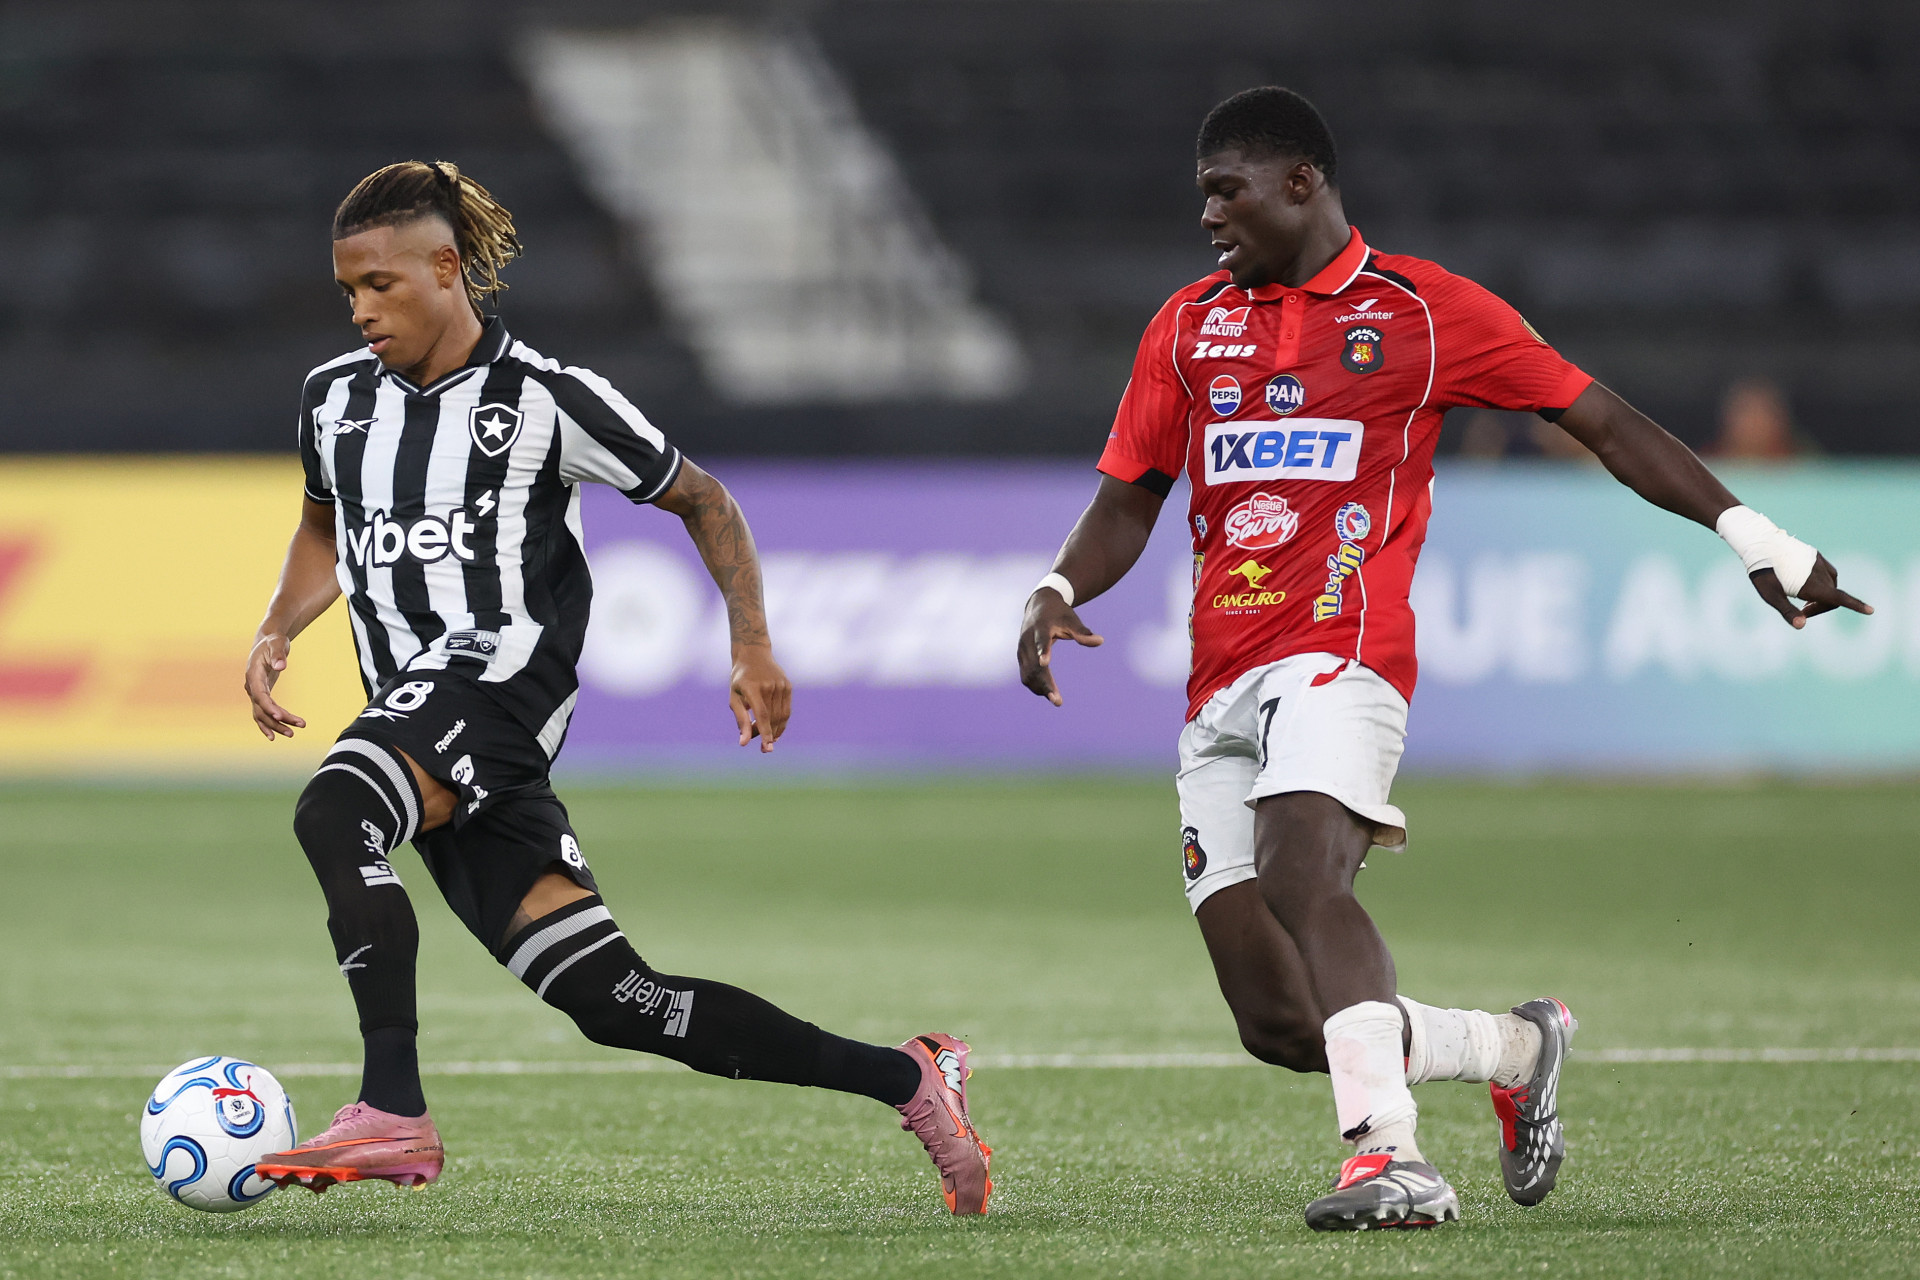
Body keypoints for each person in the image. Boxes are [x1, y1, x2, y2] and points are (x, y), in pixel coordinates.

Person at [1017, 88, 1869, 1231]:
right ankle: (1516, 1048)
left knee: (1301, 871)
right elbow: (1128, 500)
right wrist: (1061, 585)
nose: (1209, 215)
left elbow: (1601, 421)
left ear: (1301, 183)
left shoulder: (1422, 311)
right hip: (1220, 676)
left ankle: (1392, 1160)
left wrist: (1751, 532)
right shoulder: (1186, 325)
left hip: (1342, 650)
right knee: (1277, 1018)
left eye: (1228, 190)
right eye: (1203, 196)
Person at [241, 161, 991, 1214]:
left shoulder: (550, 399)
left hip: (495, 691)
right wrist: (279, 624)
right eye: (347, 291)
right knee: (619, 999)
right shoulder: (335, 401)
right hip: (429, 715)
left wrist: (753, 644)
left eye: (380, 285)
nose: (362, 310)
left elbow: (704, 498)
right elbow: (326, 523)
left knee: (335, 805)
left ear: (446, 268)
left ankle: (392, 1107)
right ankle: (910, 1076)